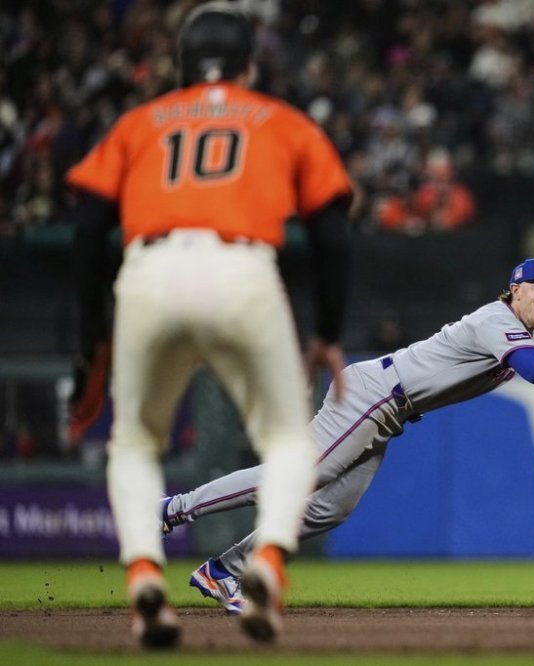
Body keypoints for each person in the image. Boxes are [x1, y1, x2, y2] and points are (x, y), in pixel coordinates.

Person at [163, 257, 534, 614]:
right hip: (373, 395)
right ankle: (174, 508)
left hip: (390, 409)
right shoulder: (495, 321)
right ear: (514, 291)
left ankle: (222, 571)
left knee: (328, 510)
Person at [65, 2, 353, 648]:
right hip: (243, 269)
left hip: (147, 269)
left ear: (180, 68)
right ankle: (268, 565)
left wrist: (93, 338)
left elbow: (86, 229)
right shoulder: (283, 122)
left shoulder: (140, 122)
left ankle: (144, 575)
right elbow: (332, 235)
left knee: (136, 443)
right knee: (285, 441)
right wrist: (329, 333)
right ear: (250, 67)